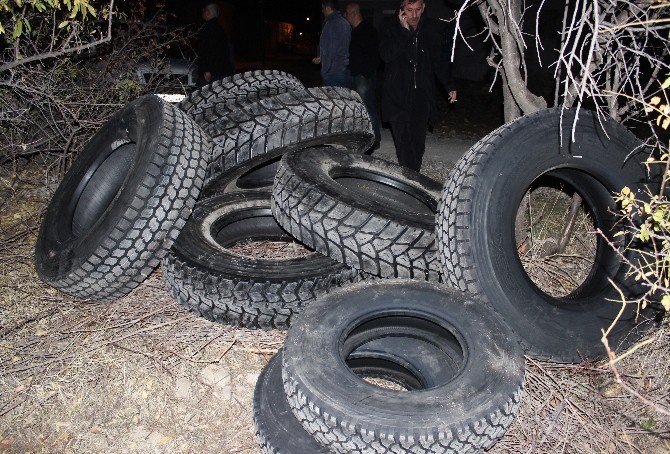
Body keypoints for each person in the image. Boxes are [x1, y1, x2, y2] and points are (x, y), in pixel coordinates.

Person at [379, 0, 457, 172]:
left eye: (417, 10)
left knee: (417, 143)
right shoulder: (389, 27)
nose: (414, 15)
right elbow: (386, 55)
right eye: (409, 10)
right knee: (404, 144)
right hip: (397, 96)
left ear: (423, 8)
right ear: (401, 10)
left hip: (421, 95)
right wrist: (404, 32)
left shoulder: (430, 28)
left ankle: (414, 177)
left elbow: (438, 60)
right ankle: (410, 181)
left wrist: (449, 85)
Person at [344, 2, 381, 147]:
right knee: (357, 110)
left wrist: (365, 74)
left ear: (354, 13)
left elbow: (376, 56)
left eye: (347, 14)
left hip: (363, 77)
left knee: (368, 108)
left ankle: (375, 139)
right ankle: (360, 138)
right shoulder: (355, 31)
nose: (345, 17)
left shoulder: (367, 30)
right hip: (354, 75)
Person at [313, 0, 351, 88]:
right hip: (344, 70)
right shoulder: (345, 23)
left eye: (323, 9)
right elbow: (341, 47)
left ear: (328, 8)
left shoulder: (330, 24)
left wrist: (325, 72)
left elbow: (330, 49)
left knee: (331, 100)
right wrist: (321, 57)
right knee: (341, 99)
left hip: (333, 73)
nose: (322, 11)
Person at [197, 3, 235, 86]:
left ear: (208, 12)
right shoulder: (219, 28)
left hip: (212, 72)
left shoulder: (209, 28)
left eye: (205, 10)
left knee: (204, 94)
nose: (203, 11)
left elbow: (210, 50)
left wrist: (208, 69)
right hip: (218, 71)